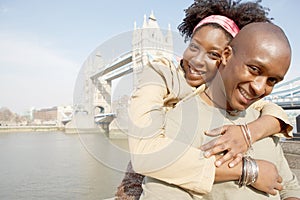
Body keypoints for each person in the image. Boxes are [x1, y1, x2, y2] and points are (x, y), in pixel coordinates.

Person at [115, 0, 293, 199]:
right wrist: (248, 170)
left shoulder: (238, 95)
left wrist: (248, 133)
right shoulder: (162, 74)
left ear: (227, 57)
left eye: (213, 54)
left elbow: (268, 108)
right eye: (194, 47)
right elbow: (145, 154)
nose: (197, 61)